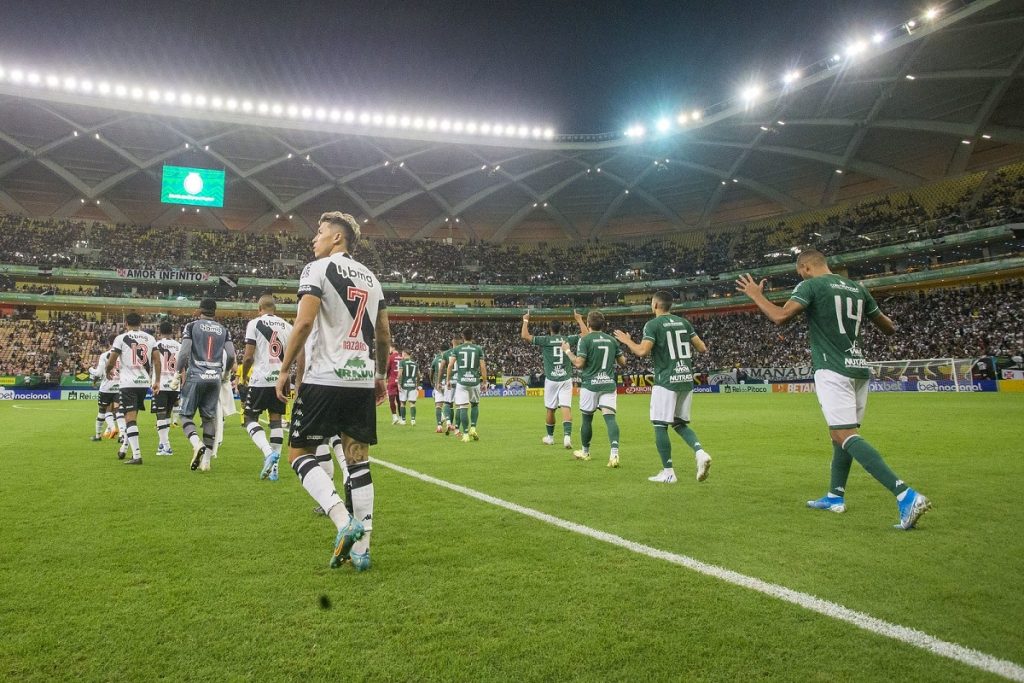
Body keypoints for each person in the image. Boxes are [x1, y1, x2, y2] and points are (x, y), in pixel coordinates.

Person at [735, 249, 931, 530]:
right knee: (840, 435)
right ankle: (835, 496)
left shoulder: (811, 285)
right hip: (858, 368)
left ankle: (906, 495)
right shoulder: (857, 288)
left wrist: (755, 295)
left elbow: (780, 316)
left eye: (799, 272)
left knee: (844, 435)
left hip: (832, 368)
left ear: (806, 267)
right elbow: (889, 328)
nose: (800, 277)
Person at [274, 211, 390, 572]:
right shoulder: (372, 278)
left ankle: (343, 520)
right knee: (358, 460)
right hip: (360, 379)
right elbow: (384, 334)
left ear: (337, 238)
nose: (314, 239)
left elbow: (304, 322)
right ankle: (363, 550)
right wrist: (380, 375)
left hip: (324, 377)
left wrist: (284, 370)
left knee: (298, 454)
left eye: (320, 232)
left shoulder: (317, 268)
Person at [613, 291, 712, 484]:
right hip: (686, 378)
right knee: (678, 423)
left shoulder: (653, 324)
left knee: (659, 424)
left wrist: (627, 341)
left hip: (666, 380)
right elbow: (702, 348)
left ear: (656, 305)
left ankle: (668, 473)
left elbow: (642, 351)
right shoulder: (684, 323)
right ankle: (700, 453)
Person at [176, 299, 235, 472]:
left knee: (185, 415)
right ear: (215, 312)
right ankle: (207, 462)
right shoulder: (224, 330)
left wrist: (178, 371)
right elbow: (231, 355)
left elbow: (184, 352)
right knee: (208, 419)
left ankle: (197, 444)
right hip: (215, 377)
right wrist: (225, 373)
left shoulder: (191, 326)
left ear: (199, 310)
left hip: (196, 375)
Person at [561, 310, 625, 468]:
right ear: (603, 324)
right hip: (608, 384)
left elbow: (578, 363)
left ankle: (585, 452)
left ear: (588, 324)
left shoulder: (585, 340)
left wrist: (567, 351)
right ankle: (614, 453)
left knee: (587, 419)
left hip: (590, 385)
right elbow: (623, 362)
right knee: (610, 418)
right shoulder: (612, 340)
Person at [240, 293, 292, 481]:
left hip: (261, 379)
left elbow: (248, 357)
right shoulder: (287, 326)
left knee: (249, 419)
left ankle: (268, 452)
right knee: (276, 420)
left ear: (259, 308)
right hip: (280, 380)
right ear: (275, 309)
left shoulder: (254, 324)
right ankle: (275, 470)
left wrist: (243, 377)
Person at [520, 310, 589, 449]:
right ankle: (567, 437)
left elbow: (525, 335)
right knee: (566, 407)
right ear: (560, 329)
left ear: (550, 329)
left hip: (551, 379)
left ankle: (550, 438)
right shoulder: (567, 339)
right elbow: (586, 334)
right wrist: (579, 319)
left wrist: (526, 319)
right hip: (565, 378)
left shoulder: (545, 340)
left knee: (550, 409)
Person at [105, 313, 161, 465]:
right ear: (141, 323)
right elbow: (157, 361)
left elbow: (112, 359)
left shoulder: (121, 338)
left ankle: (137, 456)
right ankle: (124, 448)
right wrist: (157, 380)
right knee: (132, 417)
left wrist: (107, 370)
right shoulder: (150, 338)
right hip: (143, 383)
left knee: (129, 419)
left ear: (126, 323)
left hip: (128, 383)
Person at [446, 328, 487, 443]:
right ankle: (473, 428)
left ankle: (465, 434)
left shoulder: (457, 349)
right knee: (475, 405)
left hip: (462, 382)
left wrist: (448, 380)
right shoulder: (478, 349)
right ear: (472, 336)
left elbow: (450, 365)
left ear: (463, 337)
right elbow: (482, 367)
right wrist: (484, 382)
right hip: (474, 382)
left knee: (463, 407)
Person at [153, 321, 181, 455]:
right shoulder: (179, 346)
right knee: (168, 414)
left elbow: (154, 362)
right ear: (172, 331)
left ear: (160, 332)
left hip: (160, 384)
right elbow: (183, 365)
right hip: (174, 385)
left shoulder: (156, 345)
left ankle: (166, 446)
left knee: (160, 415)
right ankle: (161, 444)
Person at [89, 338, 122, 442]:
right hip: (119, 387)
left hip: (106, 387)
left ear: (109, 343)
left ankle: (99, 435)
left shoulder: (104, 355)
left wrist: (90, 369)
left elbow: (98, 373)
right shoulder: (123, 354)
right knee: (118, 411)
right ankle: (122, 436)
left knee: (103, 410)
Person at [397, 348, 419, 426]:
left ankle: (403, 420)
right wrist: (417, 384)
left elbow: (400, 374)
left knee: (402, 403)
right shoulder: (415, 363)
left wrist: (399, 383)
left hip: (404, 385)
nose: (401, 355)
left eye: (402, 354)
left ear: (405, 354)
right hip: (413, 385)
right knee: (412, 403)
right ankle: (413, 420)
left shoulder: (402, 362)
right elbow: (418, 375)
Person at [430, 347, 449, 433]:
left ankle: (439, 426)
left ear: (440, 351)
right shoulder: (450, 357)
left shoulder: (436, 360)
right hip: (448, 384)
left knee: (438, 405)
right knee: (448, 404)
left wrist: (432, 381)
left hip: (439, 384)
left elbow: (431, 372)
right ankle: (449, 423)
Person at [386, 345, 401, 425]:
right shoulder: (402, 357)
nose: (389, 349)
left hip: (392, 380)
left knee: (391, 399)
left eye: (390, 348)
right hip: (400, 381)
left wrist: (386, 377)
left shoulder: (391, 357)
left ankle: (395, 417)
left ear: (393, 348)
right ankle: (401, 417)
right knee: (400, 400)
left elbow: (387, 368)